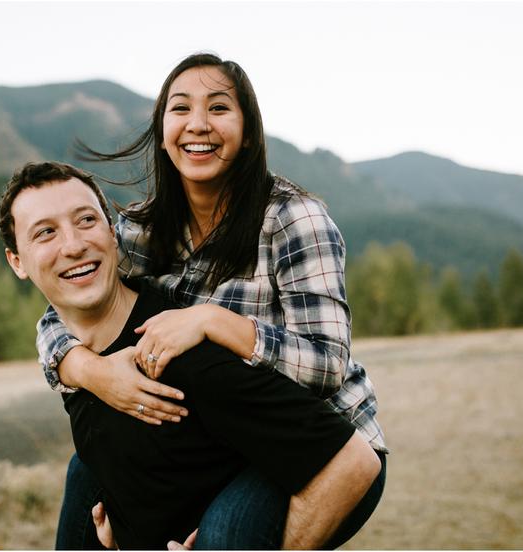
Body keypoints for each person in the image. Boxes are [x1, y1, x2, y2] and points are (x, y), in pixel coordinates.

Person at [37, 53, 388, 549]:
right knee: (86, 472)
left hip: (320, 439)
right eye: (180, 109)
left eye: (219, 108)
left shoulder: (294, 219)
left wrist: (213, 321)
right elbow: (64, 306)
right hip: (214, 442)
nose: (197, 124)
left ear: (247, 132)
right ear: (162, 131)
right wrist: (91, 372)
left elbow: (328, 365)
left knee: (223, 536)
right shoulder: (140, 231)